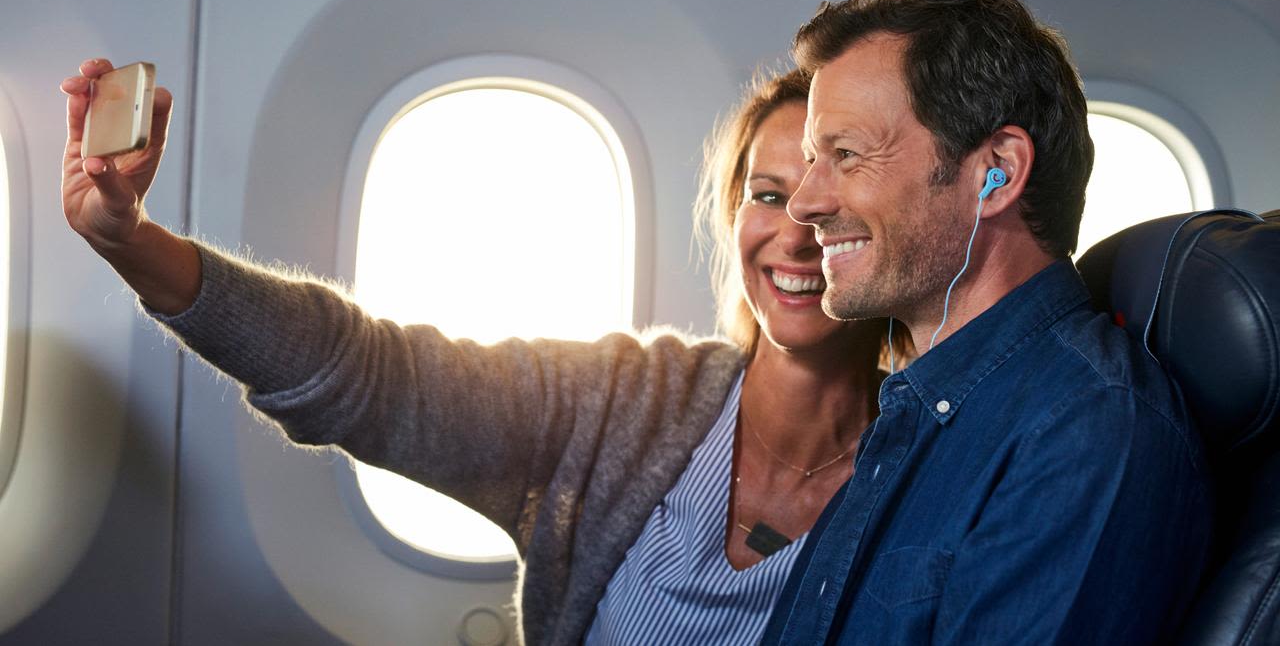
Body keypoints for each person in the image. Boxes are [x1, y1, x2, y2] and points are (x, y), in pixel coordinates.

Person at [61, 62, 906, 645]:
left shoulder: (928, 467)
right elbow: (366, 375)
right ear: (735, 217)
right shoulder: (623, 403)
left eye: (835, 195)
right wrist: (130, 241)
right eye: (769, 194)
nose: (798, 231)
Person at [758, 0, 1212, 644]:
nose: (803, 204)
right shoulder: (924, 404)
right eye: (811, 161)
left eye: (846, 154)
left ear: (995, 171)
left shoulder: (1088, 430)